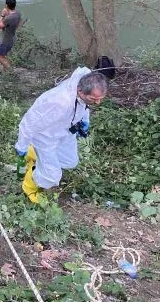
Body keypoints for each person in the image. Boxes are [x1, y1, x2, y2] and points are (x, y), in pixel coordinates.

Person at [15, 69, 109, 203]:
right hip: (45, 137)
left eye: (100, 99)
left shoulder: (84, 83)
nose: (98, 102)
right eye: (94, 99)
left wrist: (84, 120)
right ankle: (29, 187)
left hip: (64, 131)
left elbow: (83, 106)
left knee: (70, 161)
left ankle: (34, 153)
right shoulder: (59, 102)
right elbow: (30, 122)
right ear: (80, 91)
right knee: (52, 176)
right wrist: (21, 144)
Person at [0, 0, 24, 69]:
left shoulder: (8, 18)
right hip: (12, 38)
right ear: (15, 5)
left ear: (6, 5)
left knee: (0, 57)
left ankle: (10, 70)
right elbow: (19, 25)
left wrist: (2, 15)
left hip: (4, 40)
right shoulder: (18, 13)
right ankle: (5, 71)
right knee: (4, 56)